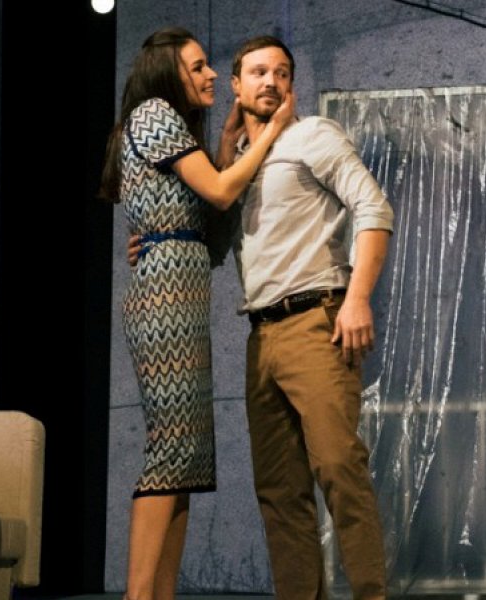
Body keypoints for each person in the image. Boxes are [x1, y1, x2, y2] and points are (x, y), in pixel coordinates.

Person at [130, 35, 393, 598]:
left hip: (316, 322)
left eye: (281, 72)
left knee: (339, 471)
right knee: (278, 492)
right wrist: (155, 238)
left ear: (291, 84)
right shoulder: (236, 163)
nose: (270, 81)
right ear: (236, 85)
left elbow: (373, 207)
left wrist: (358, 297)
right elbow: (215, 240)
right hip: (261, 336)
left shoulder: (312, 135)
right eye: (257, 72)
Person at [99, 27, 292, 600]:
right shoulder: (153, 113)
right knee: (171, 451)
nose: (210, 75)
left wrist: (229, 143)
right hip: (163, 298)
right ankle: (138, 595)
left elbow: (210, 240)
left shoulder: (176, 127)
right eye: (199, 66)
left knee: (186, 461)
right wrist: (268, 133)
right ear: (169, 71)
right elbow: (222, 191)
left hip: (183, 291)